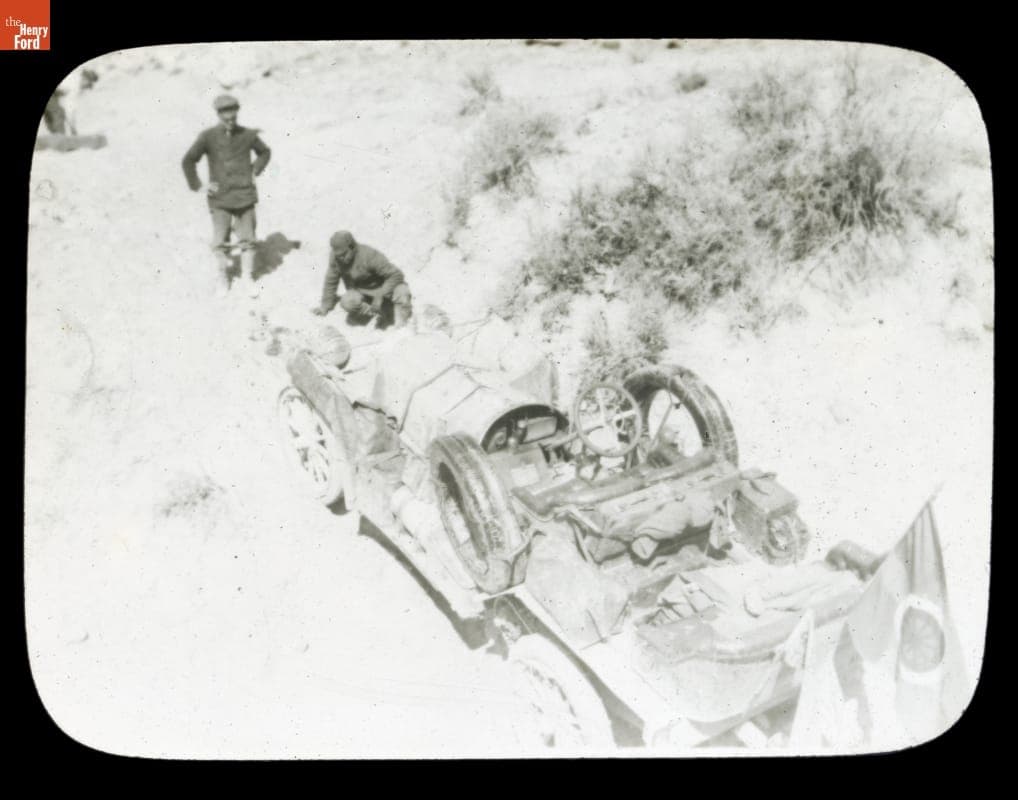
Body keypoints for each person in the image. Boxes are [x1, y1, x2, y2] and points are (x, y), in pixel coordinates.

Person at [181, 94, 271, 297]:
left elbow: (265, 152)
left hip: (245, 196)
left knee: (248, 239)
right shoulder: (208, 137)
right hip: (220, 199)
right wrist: (199, 186)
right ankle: (223, 279)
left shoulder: (248, 135)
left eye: (233, 112)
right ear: (218, 114)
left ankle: (248, 278)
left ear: (237, 112)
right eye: (225, 114)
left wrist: (255, 169)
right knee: (220, 242)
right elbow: (188, 160)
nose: (229, 117)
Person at [312, 231, 413, 328]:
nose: (341, 259)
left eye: (344, 254)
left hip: (385, 286)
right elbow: (331, 280)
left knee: (402, 293)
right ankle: (375, 313)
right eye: (338, 256)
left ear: (352, 247)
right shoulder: (336, 257)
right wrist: (324, 306)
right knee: (347, 302)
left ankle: (403, 326)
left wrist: (380, 295)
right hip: (362, 291)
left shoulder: (369, 255)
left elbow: (396, 275)